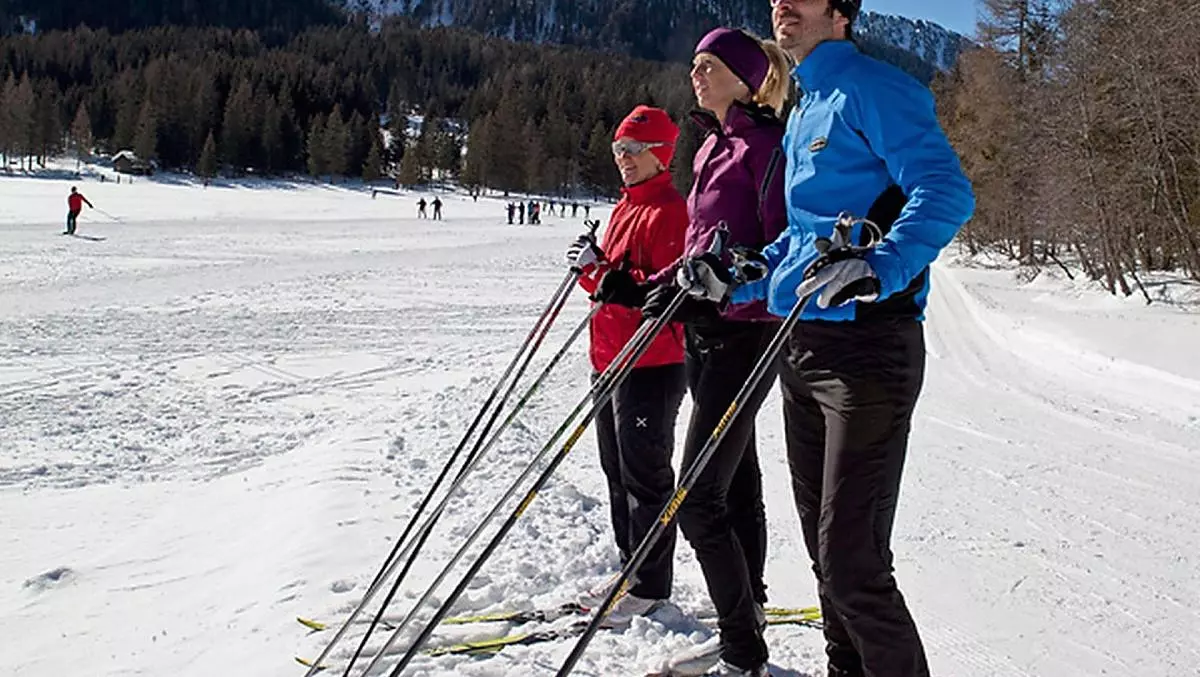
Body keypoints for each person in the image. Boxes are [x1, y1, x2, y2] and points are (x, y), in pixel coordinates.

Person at [683, 2, 975, 676]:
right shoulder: (806, 105)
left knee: (853, 563)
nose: (782, 4)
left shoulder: (874, 87)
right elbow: (800, 238)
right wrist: (742, 277)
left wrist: (879, 265)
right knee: (826, 557)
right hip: (802, 347)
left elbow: (945, 191)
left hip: (868, 352)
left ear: (841, 11)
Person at [608, 27, 791, 677]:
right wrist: (649, 289)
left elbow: (781, 247)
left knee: (697, 495)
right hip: (705, 333)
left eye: (710, 65)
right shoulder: (712, 144)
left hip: (749, 332)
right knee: (734, 480)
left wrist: (726, 282)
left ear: (744, 78)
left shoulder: (766, 144)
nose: (697, 74)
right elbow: (697, 251)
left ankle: (743, 650)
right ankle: (748, 616)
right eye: (694, 65)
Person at [565, 105, 689, 628]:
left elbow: (664, 291)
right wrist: (590, 268)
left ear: (661, 153)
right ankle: (629, 570)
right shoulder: (623, 207)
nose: (624, 158)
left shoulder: (672, 212)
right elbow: (611, 285)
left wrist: (610, 278)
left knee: (645, 477)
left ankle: (650, 586)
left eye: (634, 150)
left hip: (652, 361)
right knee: (616, 471)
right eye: (618, 149)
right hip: (609, 356)